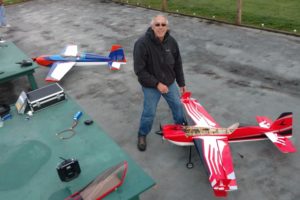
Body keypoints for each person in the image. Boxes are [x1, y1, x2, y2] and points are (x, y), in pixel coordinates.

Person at [133, 14, 187, 151]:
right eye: (157, 24)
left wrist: (181, 83)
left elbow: (178, 64)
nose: (160, 27)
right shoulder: (142, 44)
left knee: (177, 106)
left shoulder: (172, 42)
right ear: (152, 26)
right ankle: (142, 134)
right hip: (151, 86)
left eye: (163, 24)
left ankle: (181, 129)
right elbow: (139, 71)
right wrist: (157, 84)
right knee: (149, 112)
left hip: (169, 82)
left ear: (167, 27)